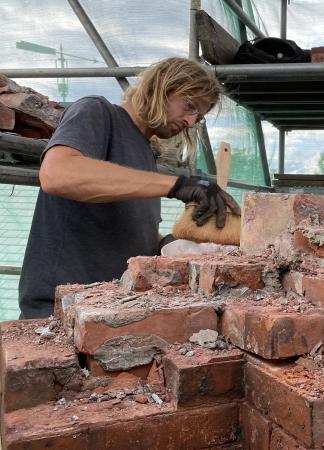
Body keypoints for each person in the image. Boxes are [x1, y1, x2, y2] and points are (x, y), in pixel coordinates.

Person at [19, 57, 240, 319]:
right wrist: (177, 185)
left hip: (108, 313)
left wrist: (169, 245)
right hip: (58, 312)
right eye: (189, 106)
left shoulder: (146, 154)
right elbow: (57, 174)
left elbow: (126, 231)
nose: (191, 122)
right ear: (160, 87)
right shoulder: (97, 112)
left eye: (199, 117)